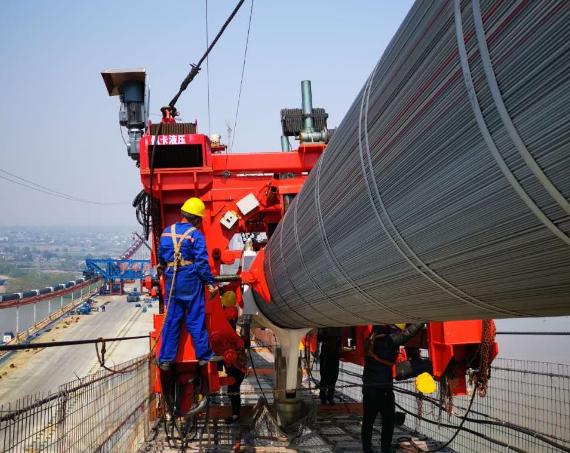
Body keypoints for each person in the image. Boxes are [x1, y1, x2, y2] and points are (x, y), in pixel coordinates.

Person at [157, 197, 220, 370]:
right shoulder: (195, 235)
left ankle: (165, 360)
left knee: (171, 319)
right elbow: (201, 262)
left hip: (172, 282)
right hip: (190, 281)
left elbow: (161, 257)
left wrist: (165, 267)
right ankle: (203, 356)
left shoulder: (166, 233)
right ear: (196, 219)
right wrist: (209, 283)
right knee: (195, 318)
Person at [361, 323, 425, 453]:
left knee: (368, 419)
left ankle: (366, 449)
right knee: (388, 420)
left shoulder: (375, 334)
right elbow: (405, 336)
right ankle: (385, 449)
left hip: (369, 387)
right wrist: (420, 322)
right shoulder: (386, 340)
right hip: (382, 390)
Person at [317, 327, 342, 404]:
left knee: (333, 376)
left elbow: (340, 338)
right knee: (324, 376)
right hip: (326, 352)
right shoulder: (324, 325)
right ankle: (323, 396)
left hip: (334, 353)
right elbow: (319, 338)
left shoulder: (339, 326)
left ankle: (330, 396)